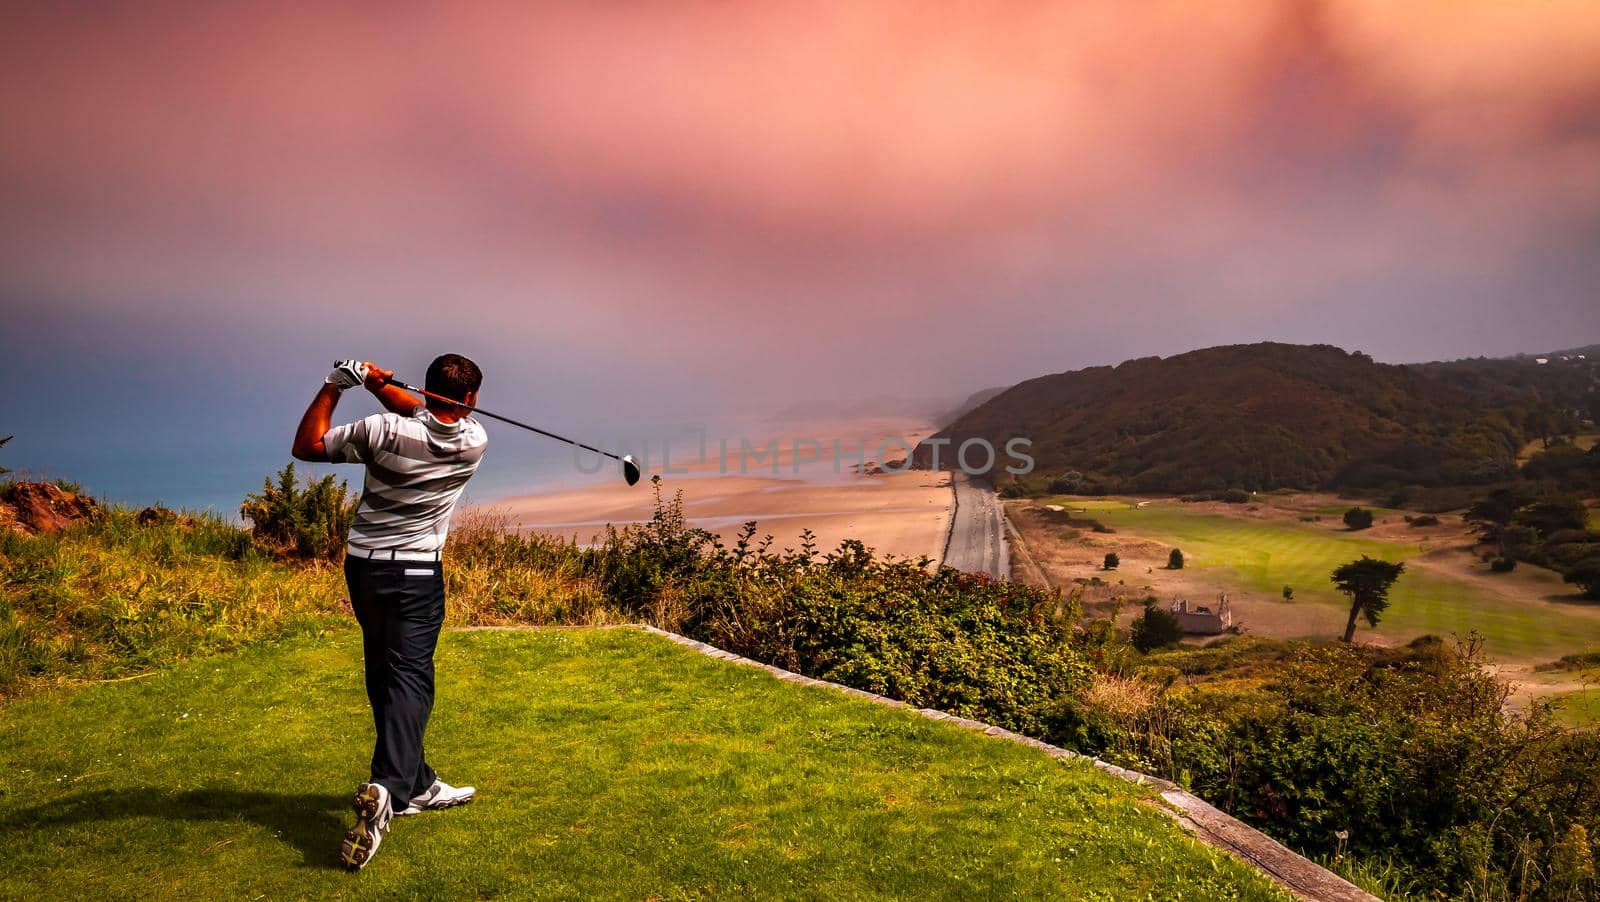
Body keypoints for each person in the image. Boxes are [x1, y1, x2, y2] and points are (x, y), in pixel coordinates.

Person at [291, 355, 489, 871]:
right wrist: (380, 387)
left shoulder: (380, 431)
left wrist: (340, 384)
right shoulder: (474, 442)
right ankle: (388, 786)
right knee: (411, 679)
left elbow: (307, 446)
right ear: (469, 400)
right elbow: (428, 414)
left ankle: (419, 783)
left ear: (426, 390)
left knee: (382, 672)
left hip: (365, 570)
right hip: (419, 574)